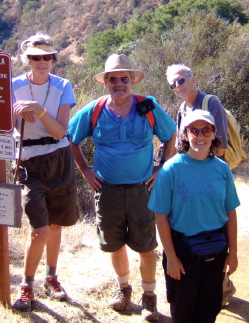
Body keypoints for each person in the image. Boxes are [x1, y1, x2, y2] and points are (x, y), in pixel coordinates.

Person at [69, 54, 176, 322]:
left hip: (142, 189)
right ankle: (124, 291)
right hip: (108, 190)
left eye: (124, 79)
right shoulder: (94, 110)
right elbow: (71, 138)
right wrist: (84, 169)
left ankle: (149, 297)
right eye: (113, 79)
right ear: (105, 81)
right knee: (114, 243)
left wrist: (162, 167)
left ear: (132, 81)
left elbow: (170, 134)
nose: (119, 83)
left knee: (146, 245)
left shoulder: (147, 106)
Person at [149, 110, 239, 323]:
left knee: (209, 308)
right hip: (182, 251)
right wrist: (171, 257)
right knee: (183, 311)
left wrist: (233, 252)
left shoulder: (222, 169)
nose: (200, 136)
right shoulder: (170, 170)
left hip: (216, 247)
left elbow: (230, 213)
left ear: (214, 133)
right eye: (194, 131)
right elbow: (160, 216)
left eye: (206, 130)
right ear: (185, 135)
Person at [10, 34, 79, 312]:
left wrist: (37, 110)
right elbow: (4, 124)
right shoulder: (13, 85)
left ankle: (51, 278)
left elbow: (60, 131)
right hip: (29, 161)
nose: (42, 62)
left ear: (54, 59)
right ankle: (26, 285)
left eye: (47, 56)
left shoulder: (63, 86)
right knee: (38, 229)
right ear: (27, 59)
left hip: (59, 158)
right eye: (35, 57)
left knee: (55, 224)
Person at [164, 63, 237, 305]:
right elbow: (179, 146)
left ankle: (222, 285)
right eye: (173, 84)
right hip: (186, 178)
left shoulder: (210, 104)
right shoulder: (182, 109)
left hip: (210, 176)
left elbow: (221, 145)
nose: (177, 86)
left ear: (193, 79)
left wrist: (212, 175)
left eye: (181, 80)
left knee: (216, 225)